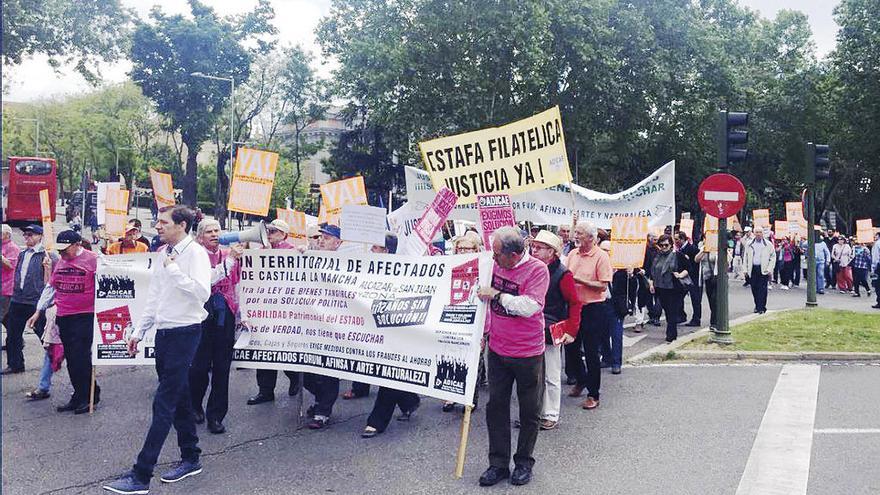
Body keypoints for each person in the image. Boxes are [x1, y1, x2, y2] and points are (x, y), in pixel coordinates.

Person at [104, 205, 211, 494]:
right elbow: (155, 298)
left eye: (163, 222)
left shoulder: (195, 254)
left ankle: (141, 475)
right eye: (158, 222)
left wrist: (174, 269)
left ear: (182, 226)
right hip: (164, 333)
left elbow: (202, 293)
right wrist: (138, 332)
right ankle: (191, 457)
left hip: (185, 333)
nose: (158, 226)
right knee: (181, 396)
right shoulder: (165, 253)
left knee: (163, 403)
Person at [476, 226, 549, 487]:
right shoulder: (492, 264)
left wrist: (498, 295)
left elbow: (530, 306)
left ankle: (523, 462)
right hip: (497, 348)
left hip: (528, 352)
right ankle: (498, 463)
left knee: (529, 410)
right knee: (495, 406)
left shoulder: (537, 270)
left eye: (498, 255)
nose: (494, 260)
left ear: (515, 254)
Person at [29, 230, 100, 414]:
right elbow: (51, 287)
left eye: (65, 249)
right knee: (72, 358)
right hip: (64, 315)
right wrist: (39, 310)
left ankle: (87, 396)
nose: (62, 253)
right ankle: (80, 394)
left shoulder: (94, 259)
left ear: (77, 245)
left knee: (80, 357)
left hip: (84, 316)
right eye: (59, 250)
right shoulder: (61, 261)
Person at [361, 232, 423, 438]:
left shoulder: (402, 270)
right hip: (373, 329)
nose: (371, 251)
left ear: (386, 251)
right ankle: (408, 399)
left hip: (396, 330)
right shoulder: (367, 268)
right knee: (383, 371)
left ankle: (377, 421)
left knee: (389, 373)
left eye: (375, 248)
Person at [190, 219, 243, 435]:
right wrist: (229, 261)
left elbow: (238, 284)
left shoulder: (230, 255)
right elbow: (206, 281)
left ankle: (216, 415)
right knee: (199, 366)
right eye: (209, 231)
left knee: (222, 368)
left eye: (217, 231)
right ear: (200, 236)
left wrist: (242, 313)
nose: (214, 234)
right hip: (201, 314)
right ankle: (194, 405)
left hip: (225, 314)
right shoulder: (195, 255)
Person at [529, 230, 580, 430]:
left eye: (539, 248)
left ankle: (550, 413)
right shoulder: (531, 269)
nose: (534, 250)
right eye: (534, 247)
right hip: (531, 327)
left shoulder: (563, 274)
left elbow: (575, 303)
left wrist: (572, 331)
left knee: (551, 374)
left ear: (552, 252)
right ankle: (535, 412)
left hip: (551, 328)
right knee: (533, 374)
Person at [247, 219, 301, 406]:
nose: (269, 233)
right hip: (264, 310)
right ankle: (265, 390)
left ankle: (294, 377)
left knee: (282, 351)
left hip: (285, 311)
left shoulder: (292, 251)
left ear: (284, 235)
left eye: (274, 231)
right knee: (264, 351)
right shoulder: (261, 251)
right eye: (268, 230)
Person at [565, 221, 613, 410]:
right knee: (570, 347)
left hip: (593, 308)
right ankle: (581, 379)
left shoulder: (601, 256)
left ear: (591, 238)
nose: (575, 236)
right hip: (573, 307)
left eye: (580, 233)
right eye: (575, 232)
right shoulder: (572, 254)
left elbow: (603, 285)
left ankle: (594, 394)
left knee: (592, 351)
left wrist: (578, 280)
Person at [303, 223, 344, 430]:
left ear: (338, 243)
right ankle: (321, 398)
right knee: (300, 371)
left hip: (333, 326)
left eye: (327, 238)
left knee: (329, 369)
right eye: (321, 237)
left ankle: (323, 412)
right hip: (310, 324)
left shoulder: (346, 263)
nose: (321, 240)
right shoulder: (309, 258)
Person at [2, 225, 55, 375]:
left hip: (36, 302)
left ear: (40, 236)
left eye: (30, 234)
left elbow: (52, 281)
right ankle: (15, 364)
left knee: (44, 335)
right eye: (25, 234)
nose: (27, 237)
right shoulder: (22, 253)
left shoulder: (48, 255)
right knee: (13, 334)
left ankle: (53, 360)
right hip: (18, 298)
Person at [442, 231, 485, 412]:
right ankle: (451, 396)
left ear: (475, 249)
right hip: (453, 319)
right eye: (459, 248)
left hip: (476, 321)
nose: (462, 251)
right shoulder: (449, 267)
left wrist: (485, 329)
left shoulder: (484, 268)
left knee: (473, 360)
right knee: (451, 357)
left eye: (467, 248)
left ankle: (470, 398)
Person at [648, 234, 691, 342]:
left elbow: (688, 268)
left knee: (672, 312)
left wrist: (680, 275)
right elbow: (653, 272)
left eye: (666, 245)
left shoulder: (677, 255)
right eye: (661, 245)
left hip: (674, 288)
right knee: (667, 311)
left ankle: (671, 335)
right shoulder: (657, 256)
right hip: (661, 288)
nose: (663, 247)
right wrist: (652, 284)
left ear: (671, 245)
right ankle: (671, 333)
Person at [743, 227, 776, 314]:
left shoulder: (768, 244)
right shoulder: (749, 244)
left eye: (760, 232)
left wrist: (769, 269)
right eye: (756, 232)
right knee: (754, 288)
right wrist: (745, 269)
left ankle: (761, 307)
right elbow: (745, 257)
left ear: (763, 233)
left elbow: (773, 257)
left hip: (763, 269)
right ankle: (757, 305)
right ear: (754, 233)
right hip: (753, 269)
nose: (758, 234)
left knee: (762, 289)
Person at [674, 231, 701, 326]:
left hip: (693, 278)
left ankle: (696, 319)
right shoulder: (679, 249)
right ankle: (681, 316)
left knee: (695, 299)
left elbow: (696, 262)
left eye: (677, 239)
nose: (675, 241)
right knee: (679, 297)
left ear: (682, 239)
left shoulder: (692, 249)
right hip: (683, 277)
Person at [695, 242, 719, 331]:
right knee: (711, 300)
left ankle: (714, 322)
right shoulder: (703, 247)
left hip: (717, 277)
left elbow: (727, 260)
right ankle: (715, 321)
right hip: (707, 277)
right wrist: (704, 251)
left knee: (715, 299)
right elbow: (696, 259)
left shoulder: (717, 247)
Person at [1, 224, 21, 335]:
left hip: (6, 288)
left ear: (8, 235)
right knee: (6, 317)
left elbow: (10, 265)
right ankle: (15, 337)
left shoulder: (13, 248)